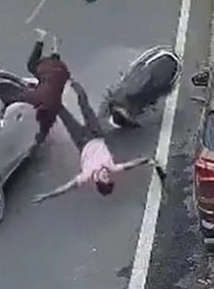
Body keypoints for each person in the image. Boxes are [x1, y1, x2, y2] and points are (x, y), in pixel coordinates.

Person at [31, 80, 166, 204]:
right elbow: (130, 164)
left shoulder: (86, 175)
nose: (106, 174)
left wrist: (47, 196)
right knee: (85, 105)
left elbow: (67, 187)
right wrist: (146, 160)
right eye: (108, 177)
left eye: (104, 178)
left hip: (82, 141)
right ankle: (73, 82)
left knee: (63, 114)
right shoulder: (111, 167)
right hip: (96, 134)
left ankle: (43, 93)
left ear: (97, 181)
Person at [21, 28, 70, 144]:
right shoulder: (58, 73)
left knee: (32, 65)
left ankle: (44, 40)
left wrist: (26, 93)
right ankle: (42, 39)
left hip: (53, 72)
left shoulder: (60, 70)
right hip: (54, 97)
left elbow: (28, 96)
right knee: (45, 125)